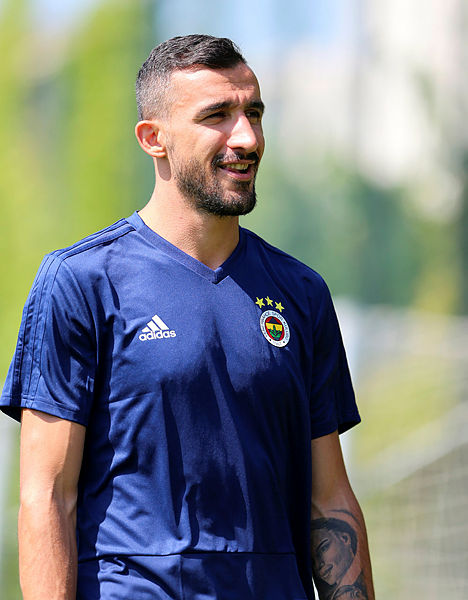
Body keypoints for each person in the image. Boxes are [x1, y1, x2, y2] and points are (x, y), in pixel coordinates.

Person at [0, 34, 374, 599]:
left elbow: (330, 500)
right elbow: (47, 496)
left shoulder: (301, 292)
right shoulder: (81, 281)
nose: (246, 138)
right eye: (217, 116)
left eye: (254, 113)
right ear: (154, 139)